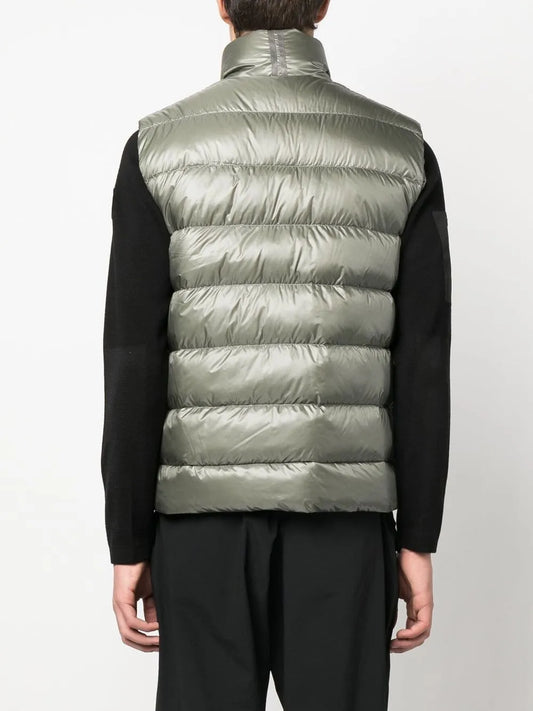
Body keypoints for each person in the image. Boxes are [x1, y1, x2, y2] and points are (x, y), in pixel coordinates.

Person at [100, 1, 452, 708]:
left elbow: (134, 359)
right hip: (343, 519)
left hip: (200, 523)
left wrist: (128, 539)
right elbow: (422, 362)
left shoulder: (158, 148)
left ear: (222, 6)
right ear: (322, 7)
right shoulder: (400, 150)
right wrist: (416, 538)